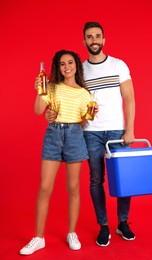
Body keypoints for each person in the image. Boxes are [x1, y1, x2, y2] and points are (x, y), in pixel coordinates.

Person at [45, 21, 136, 247]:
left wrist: (130, 129)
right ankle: (103, 226)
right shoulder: (80, 69)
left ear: (104, 40)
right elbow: (67, 98)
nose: (93, 40)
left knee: (122, 178)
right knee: (96, 180)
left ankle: (122, 222)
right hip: (89, 132)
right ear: (84, 41)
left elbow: (130, 98)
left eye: (97, 36)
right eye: (89, 37)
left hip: (117, 130)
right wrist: (53, 114)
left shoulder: (118, 65)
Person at [19, 50, 91, 255]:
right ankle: (39, 238)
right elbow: (38, 110)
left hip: (75, 136)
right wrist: (41, 92)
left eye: (70, 62)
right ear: (57, 68)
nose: (66, 66)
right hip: (53, 135)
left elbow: (84, 120)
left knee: (74, 187)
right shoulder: (51, 87)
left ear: (77, 65)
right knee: (44, 187)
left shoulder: (85, 94)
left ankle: (71, 232)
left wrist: (89, 115)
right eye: (62, 64)